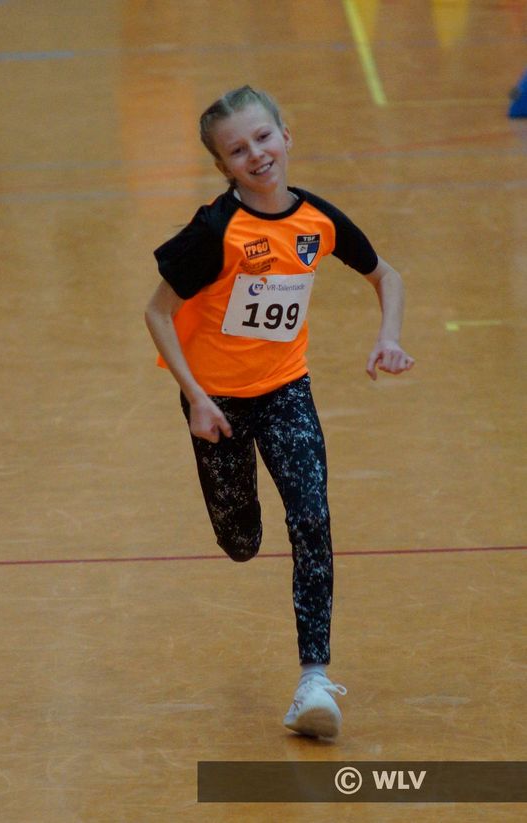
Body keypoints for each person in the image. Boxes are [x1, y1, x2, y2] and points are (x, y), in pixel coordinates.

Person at [145, 85, 414, 739]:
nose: (256, 154)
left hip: (285, 389)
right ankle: (239, 528)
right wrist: (196, 397)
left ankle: (313, 680)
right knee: (240, 542)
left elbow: (387, 275)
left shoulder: (316, 220)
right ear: (223, 166)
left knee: (311, 517)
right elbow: (156, 312)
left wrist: (388, 337)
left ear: (285, 136)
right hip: (216, 404)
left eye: (263, 137)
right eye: (237, 150)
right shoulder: (214, 232)